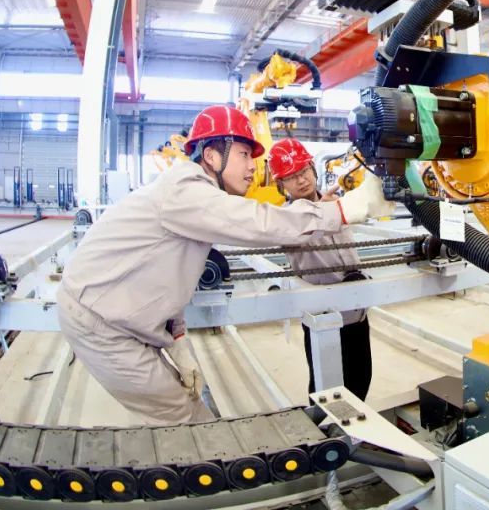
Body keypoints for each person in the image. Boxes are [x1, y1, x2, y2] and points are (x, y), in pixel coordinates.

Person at [57, 106, 393, 424]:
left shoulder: (189, 196)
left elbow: (167, 277)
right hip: (103, 323)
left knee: (184, 407)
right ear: (212, 156)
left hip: (116, 316)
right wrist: (344, 210)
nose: (252, 167)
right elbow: (256, 222)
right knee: (185, 420)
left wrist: (177, 337)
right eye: (244, 154)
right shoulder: (186, 190)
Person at [268, 138, 372, 401]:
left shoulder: (336, 203)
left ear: (313, 169)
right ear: (281, 185)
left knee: (361, 378)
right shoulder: (286, 219)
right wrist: (321, 213)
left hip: (356, 310)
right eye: (291, 176)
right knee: (324, 388)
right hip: (321, 315)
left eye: (304, 171)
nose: (301, 180)